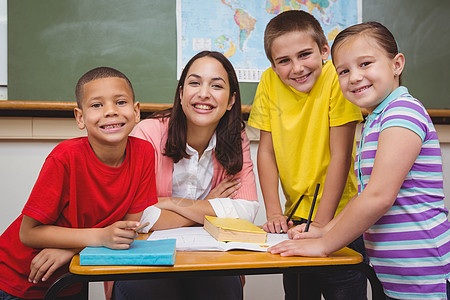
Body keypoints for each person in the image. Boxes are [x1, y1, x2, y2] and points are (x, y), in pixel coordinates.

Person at [269, 21, 450, 300]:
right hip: (395, 274)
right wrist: (323, 230)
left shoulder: (403, 113)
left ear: (396, 64)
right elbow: (364, 195)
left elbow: (378, 197)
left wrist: (326, 244)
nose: (354, 77)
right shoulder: (375, 120)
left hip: (425, 271)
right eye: (344, 70)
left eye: (365, 64)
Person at [110, 51, 258, 300]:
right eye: (194, 83)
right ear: (181, 93)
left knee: (222, 288)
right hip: (146, 256)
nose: (204, 93)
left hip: (209, 257)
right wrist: (205, 209)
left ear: (231, 100)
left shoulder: (236, 138)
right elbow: (137, 216)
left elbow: (246, 211)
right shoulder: (148, 133)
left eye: (217, 85)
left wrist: (169, 203)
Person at [0, 67, 157, 299]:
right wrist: (99, 237)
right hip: (18, 277)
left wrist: (72, 249)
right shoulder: (65, 157)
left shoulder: (144, 153)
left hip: (71, 275)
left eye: (120, 102)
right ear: (80, 117)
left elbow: (126, 229)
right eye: (97, 105)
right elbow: (28, 233)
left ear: (136, 112)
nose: (111, 111)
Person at [248, 10, 367, 300]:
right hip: (295, 216)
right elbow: (266, 152)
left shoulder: (337, 78)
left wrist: (322, 225)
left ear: (324, 50)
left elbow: (341, 156)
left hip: (340, 219)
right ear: (273, 66)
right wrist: (274, 211)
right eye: (284, 61)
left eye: (304, 55)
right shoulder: (268, 82)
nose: (297, 68)